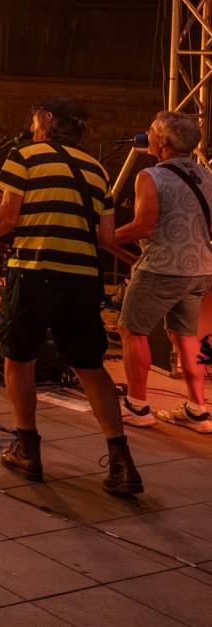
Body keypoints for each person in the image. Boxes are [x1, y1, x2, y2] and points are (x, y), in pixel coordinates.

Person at [0, 97, 142, 495]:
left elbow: (8, 217)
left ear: (46, 120)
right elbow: (107, 238)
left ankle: (27, 448)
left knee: (18, 358)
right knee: (91, 368)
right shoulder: (97, 170)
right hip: (81, 279)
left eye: (34, 119)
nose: (31, 127)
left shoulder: (23, 155)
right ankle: (121, 462)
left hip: (34, 274)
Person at [112, 111, 212, 433]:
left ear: (163, 142)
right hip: (200, 270)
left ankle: (137, 406)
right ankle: (198, 410)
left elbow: (144, 225)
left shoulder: (151, 176)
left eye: (151, 132)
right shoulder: (207, 175)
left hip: (162, 268)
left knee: (132, 329)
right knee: (185, 335)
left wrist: (106, 237)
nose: (147, 136)